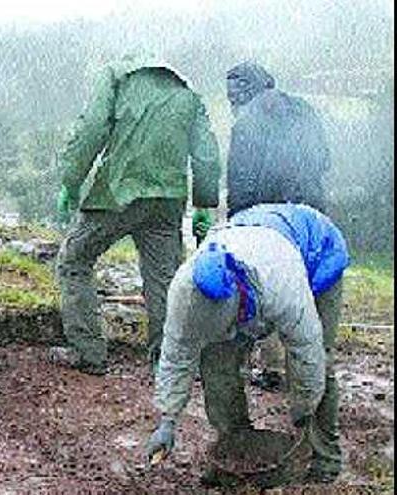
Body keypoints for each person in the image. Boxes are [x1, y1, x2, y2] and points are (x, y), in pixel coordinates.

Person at [145, 203, 349, 483]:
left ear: (238, 305)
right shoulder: (183, 292)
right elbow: (175, 357)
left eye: (229, 328)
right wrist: (167, 420)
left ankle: (324, 458)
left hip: (317, 251)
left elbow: (307, 352)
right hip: (250, 238)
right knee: (216, 358)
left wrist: (303, 411)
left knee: (319, 363)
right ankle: (236, 446)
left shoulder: (280, 282)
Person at [52, 55, 221, 375]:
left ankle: (88, 350)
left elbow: (92, 128)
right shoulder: (187, 94)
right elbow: (206, 154)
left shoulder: (116, 76)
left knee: (75, 259)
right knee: (165, 280)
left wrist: (71, 181)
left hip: (118, 192)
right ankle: (169, 361)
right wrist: (203, 204)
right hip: (168, 199)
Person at [225, 61, 334, 391]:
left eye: (232, 97)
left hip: (270, 218)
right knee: (309, 288)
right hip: (312, 216)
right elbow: (324, 159)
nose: (231, 104)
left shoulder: (247, 120)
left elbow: (241, 179)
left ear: (243, 93)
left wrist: (237, 222)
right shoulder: (305, 109)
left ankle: (274, 368)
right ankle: (313, 370)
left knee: (272, 287)